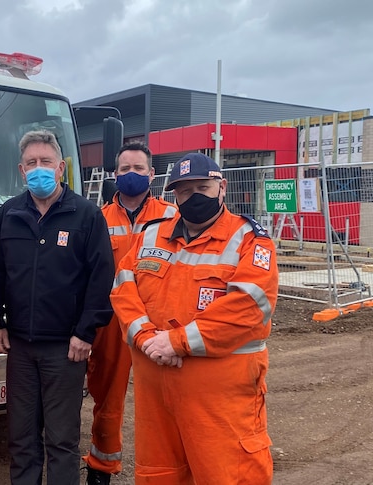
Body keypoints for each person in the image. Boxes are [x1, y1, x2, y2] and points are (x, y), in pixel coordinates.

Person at [110, 153, 278, 484]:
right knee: (159, 475)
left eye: (203, 187)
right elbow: (123, 288)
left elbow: (249, 306)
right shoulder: (149, 237)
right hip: (155, 393)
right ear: (175, 195)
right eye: (185, 191)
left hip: (219, 400)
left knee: (227, 475)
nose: (195, 197)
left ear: (222, 187)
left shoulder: (248, 240)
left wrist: (176, 342)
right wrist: (145, 338)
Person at [0, 130, 115, 484]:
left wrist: (85, 331)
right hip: (20, 348)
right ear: (21, 170)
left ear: (61, 168)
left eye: (46, 162)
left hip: (66, 350)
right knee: (22, 439)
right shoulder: (9, 214)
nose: (38, 169)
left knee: (61, 440)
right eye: (31, 163)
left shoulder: (87, 216)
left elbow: (101, 278)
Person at [83, 142, 177, 485]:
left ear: (152, 174)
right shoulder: (97, 217)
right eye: (125, 170)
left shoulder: (172, 216)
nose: (132, 175)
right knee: (106, 395)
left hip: (158, 322)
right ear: (114, 175)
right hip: (110, 321)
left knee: (166, 397)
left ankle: (169, 470)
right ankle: (101, 466)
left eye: (139, 169)